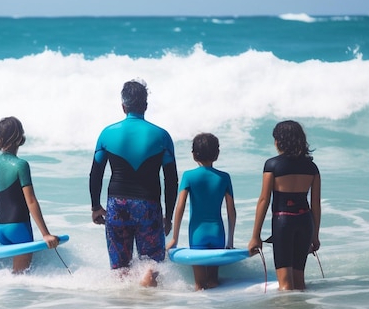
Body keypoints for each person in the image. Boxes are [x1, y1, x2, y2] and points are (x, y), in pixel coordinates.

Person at [89, 79, 178, 287]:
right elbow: (171, 179)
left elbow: (95, 174)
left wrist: (95, 206)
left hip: (117, 206)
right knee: (151, 266)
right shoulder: (162, 136)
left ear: (123, 106)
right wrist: (169, 216)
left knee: (120, 269)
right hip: (148, 205)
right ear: (145, 106)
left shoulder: (107, 133)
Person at [248, 120, 321, 291]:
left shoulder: (272, 165)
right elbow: (316, 204)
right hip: (305, 222)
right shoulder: (312, 167)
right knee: (299, 282)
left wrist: (255, 236)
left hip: (283, 223)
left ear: (279, 141)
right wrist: (315, 235)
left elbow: (264, 200)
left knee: (285, 285)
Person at [0, 116, 59, 273]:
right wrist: (46, 234)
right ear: (20, 138)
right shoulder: (21, 165)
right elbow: (30, 201)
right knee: (20, 279)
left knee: (12, 277)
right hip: (18, 229)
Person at [167, 133, 236, 291]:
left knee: (200, 285)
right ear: (217, 154)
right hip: (218, 233)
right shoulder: (224, 177)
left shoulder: (189, 176)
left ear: (193, 155)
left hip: (198, 234)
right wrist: (230, 241)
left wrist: (175, 238)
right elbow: (231, 211)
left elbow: (180, 207)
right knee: (213, 282)